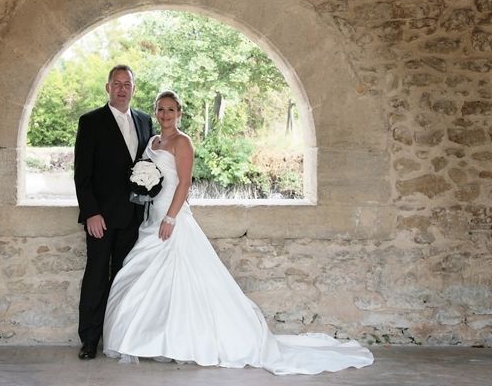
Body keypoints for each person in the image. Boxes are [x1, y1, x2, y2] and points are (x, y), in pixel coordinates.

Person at [103, 91, 374, 375]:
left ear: (179, 113)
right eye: (161, 109)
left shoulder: (183, 142)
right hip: (152, 216)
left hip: (173, 218)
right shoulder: (153, 141)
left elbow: (184, 183)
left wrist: (170, 217)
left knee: (181, 278)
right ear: (155, 112)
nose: (166, 115)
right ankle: (154, 339)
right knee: (145, 279)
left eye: (171, 110)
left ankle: (183, 340)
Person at [74, 65, 155, 360]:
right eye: (116, 83)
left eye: (127, 84)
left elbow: (151, 166)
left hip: (134, 217)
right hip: (102, 219)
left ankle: (119, 337)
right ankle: (89, 340)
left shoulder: (146, 121)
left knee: (124, 278)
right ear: (108, 88)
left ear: (134, 88)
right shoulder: (91, 121)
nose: (122, 88)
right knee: (96, 276)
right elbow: (82, 175)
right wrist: (91, 212)